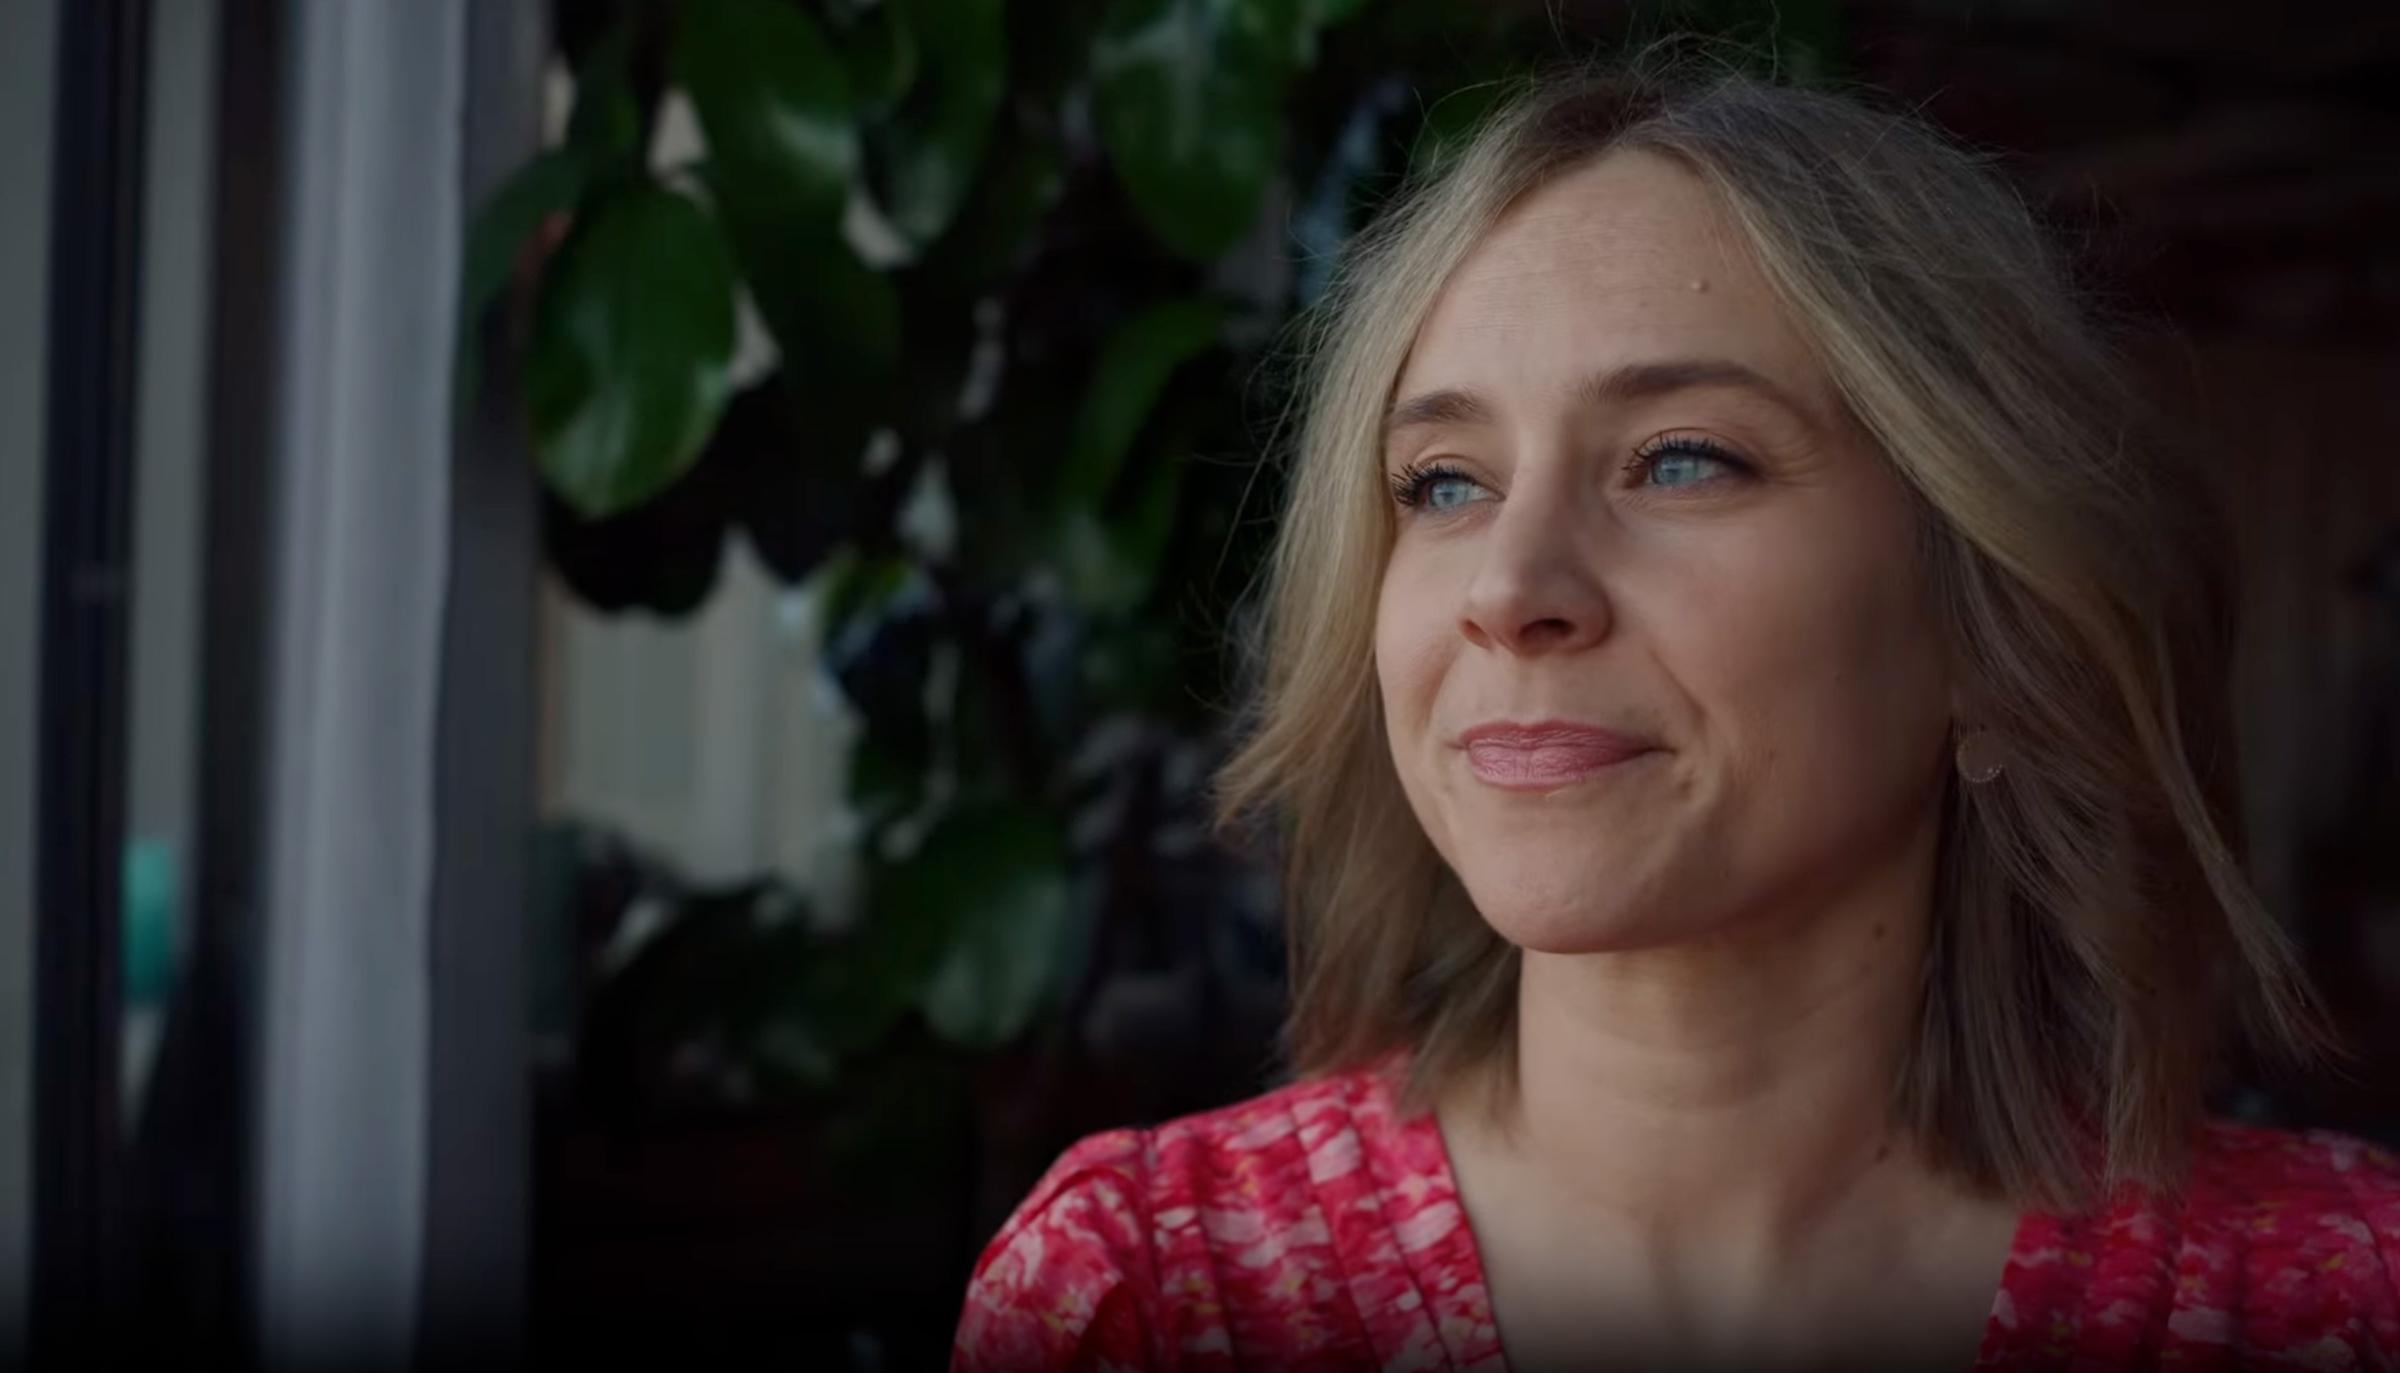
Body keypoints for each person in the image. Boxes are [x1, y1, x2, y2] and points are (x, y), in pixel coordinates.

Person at [950, 54, 2400, 1373]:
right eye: (1444, 483)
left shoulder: (2341, 1301)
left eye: (1682, 459)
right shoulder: (1144, 1300)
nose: (1509, 588)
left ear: (1990, 626)